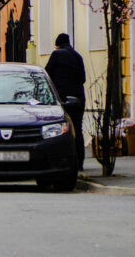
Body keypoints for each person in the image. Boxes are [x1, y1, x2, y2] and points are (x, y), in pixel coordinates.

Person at [45, 33, 86, 170]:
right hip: (78, 98)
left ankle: (63, 162)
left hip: (61, 99)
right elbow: (83, 78)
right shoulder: (77, 56)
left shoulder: (56, 54)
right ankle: (79, 163)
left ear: (57, 44)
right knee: (78, 130)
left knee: (60, 130)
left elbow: (47, 75)